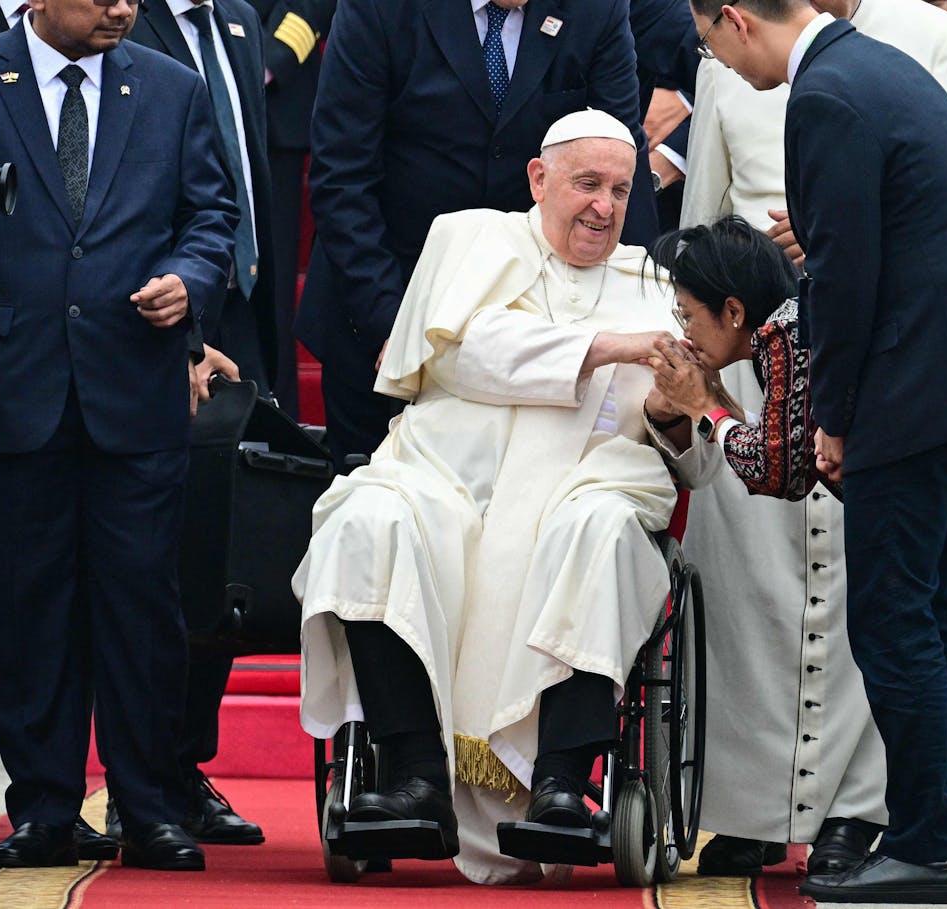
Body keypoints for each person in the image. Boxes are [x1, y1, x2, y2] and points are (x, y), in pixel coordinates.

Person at [293, 109, 715, 886]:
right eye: (587, 183)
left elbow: (692, 460)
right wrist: (613, 348)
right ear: (538, 177)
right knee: (366, 518)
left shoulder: (654, 288)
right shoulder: (470, 240)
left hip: (581, 491)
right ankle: (416, 772)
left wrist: (668, 409)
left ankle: (560, 781)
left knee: (602, 529)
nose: (604, 206)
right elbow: (470, 353)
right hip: (445, 480)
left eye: (621, 190)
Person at [0, 0, 238, 872]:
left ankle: (149, 804)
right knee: (26, 609)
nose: (124, 7)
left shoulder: (173, 88)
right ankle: (45, 805)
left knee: (141, 608)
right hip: (7, 391)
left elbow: (212, 217)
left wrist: (188, 283)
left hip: (136, 387)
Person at [693, 0, 947, 899]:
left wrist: (829, 418)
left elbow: (842, 274)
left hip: (905, 401)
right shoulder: (880, 69)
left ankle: (929, 843)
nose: (713, 58)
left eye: (708, 39)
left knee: (893, 625)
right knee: (936, 619)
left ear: (732, 19)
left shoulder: (825, 94)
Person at [296, 0, 657, 467]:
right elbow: (342, 177)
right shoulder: (379, 9)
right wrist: (393, 324)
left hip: (527, 313)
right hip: (381, 291)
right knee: (377, 509)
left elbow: (621, 153)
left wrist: (645, 301)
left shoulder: (595, 10)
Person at [124, 0, 276, 847]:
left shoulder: (240, 21)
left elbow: (244, 181)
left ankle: (186, 765)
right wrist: (188, 332)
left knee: (224, 558)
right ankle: (141, 774)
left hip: (247, 312)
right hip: (174, 322)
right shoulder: (126, 26)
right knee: (164, 560)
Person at [645, 216, 820, 499]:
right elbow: (794, 458)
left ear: (733, 311)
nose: (686, 332)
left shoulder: (785, 334)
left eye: (687, 315)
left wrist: (703, 407)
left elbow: (778, 475)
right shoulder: (787, 326)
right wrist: (718, 397)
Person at [242, 0, 335, 417]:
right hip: (192, 73)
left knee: (271, 272)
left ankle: (275, 410)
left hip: (274, 102)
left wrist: (264, 63)